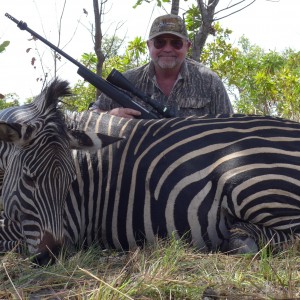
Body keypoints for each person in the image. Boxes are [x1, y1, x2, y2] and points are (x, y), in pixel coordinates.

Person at [91, 14, 233, 118]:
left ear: (187, 46)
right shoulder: (128, 80)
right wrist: (110, 115)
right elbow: (90, 114)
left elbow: (231, 128)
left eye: (176, 43)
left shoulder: (209, 82)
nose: (167, 49)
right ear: (149, 45)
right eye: (160, 42)